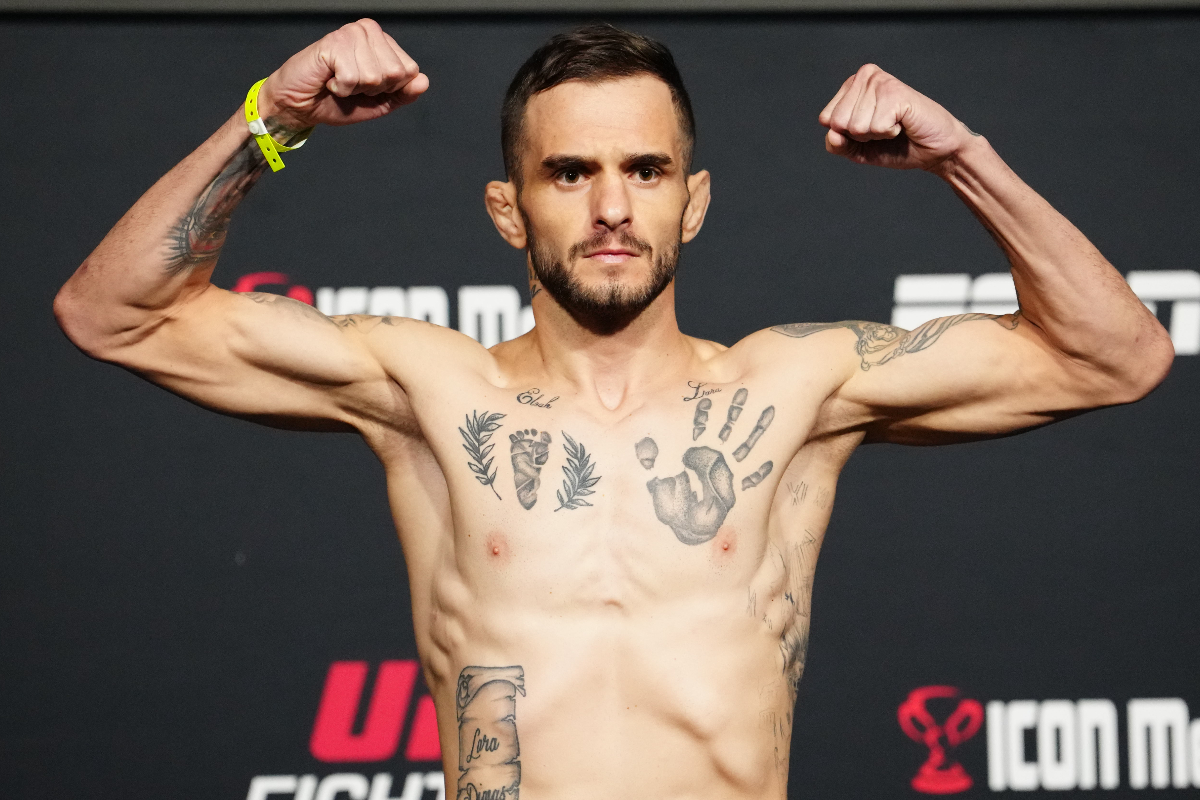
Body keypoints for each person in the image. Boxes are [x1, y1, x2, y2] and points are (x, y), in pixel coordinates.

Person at [54, 18, 1172, 800]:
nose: (610, 207)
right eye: (568, 172)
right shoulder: (430, 391)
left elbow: (1114, 357)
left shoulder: (791, 390)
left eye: (645, 170)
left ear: (695, 201)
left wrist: (964, 159)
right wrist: (269, 120)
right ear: (508, 209)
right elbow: (115, 315)